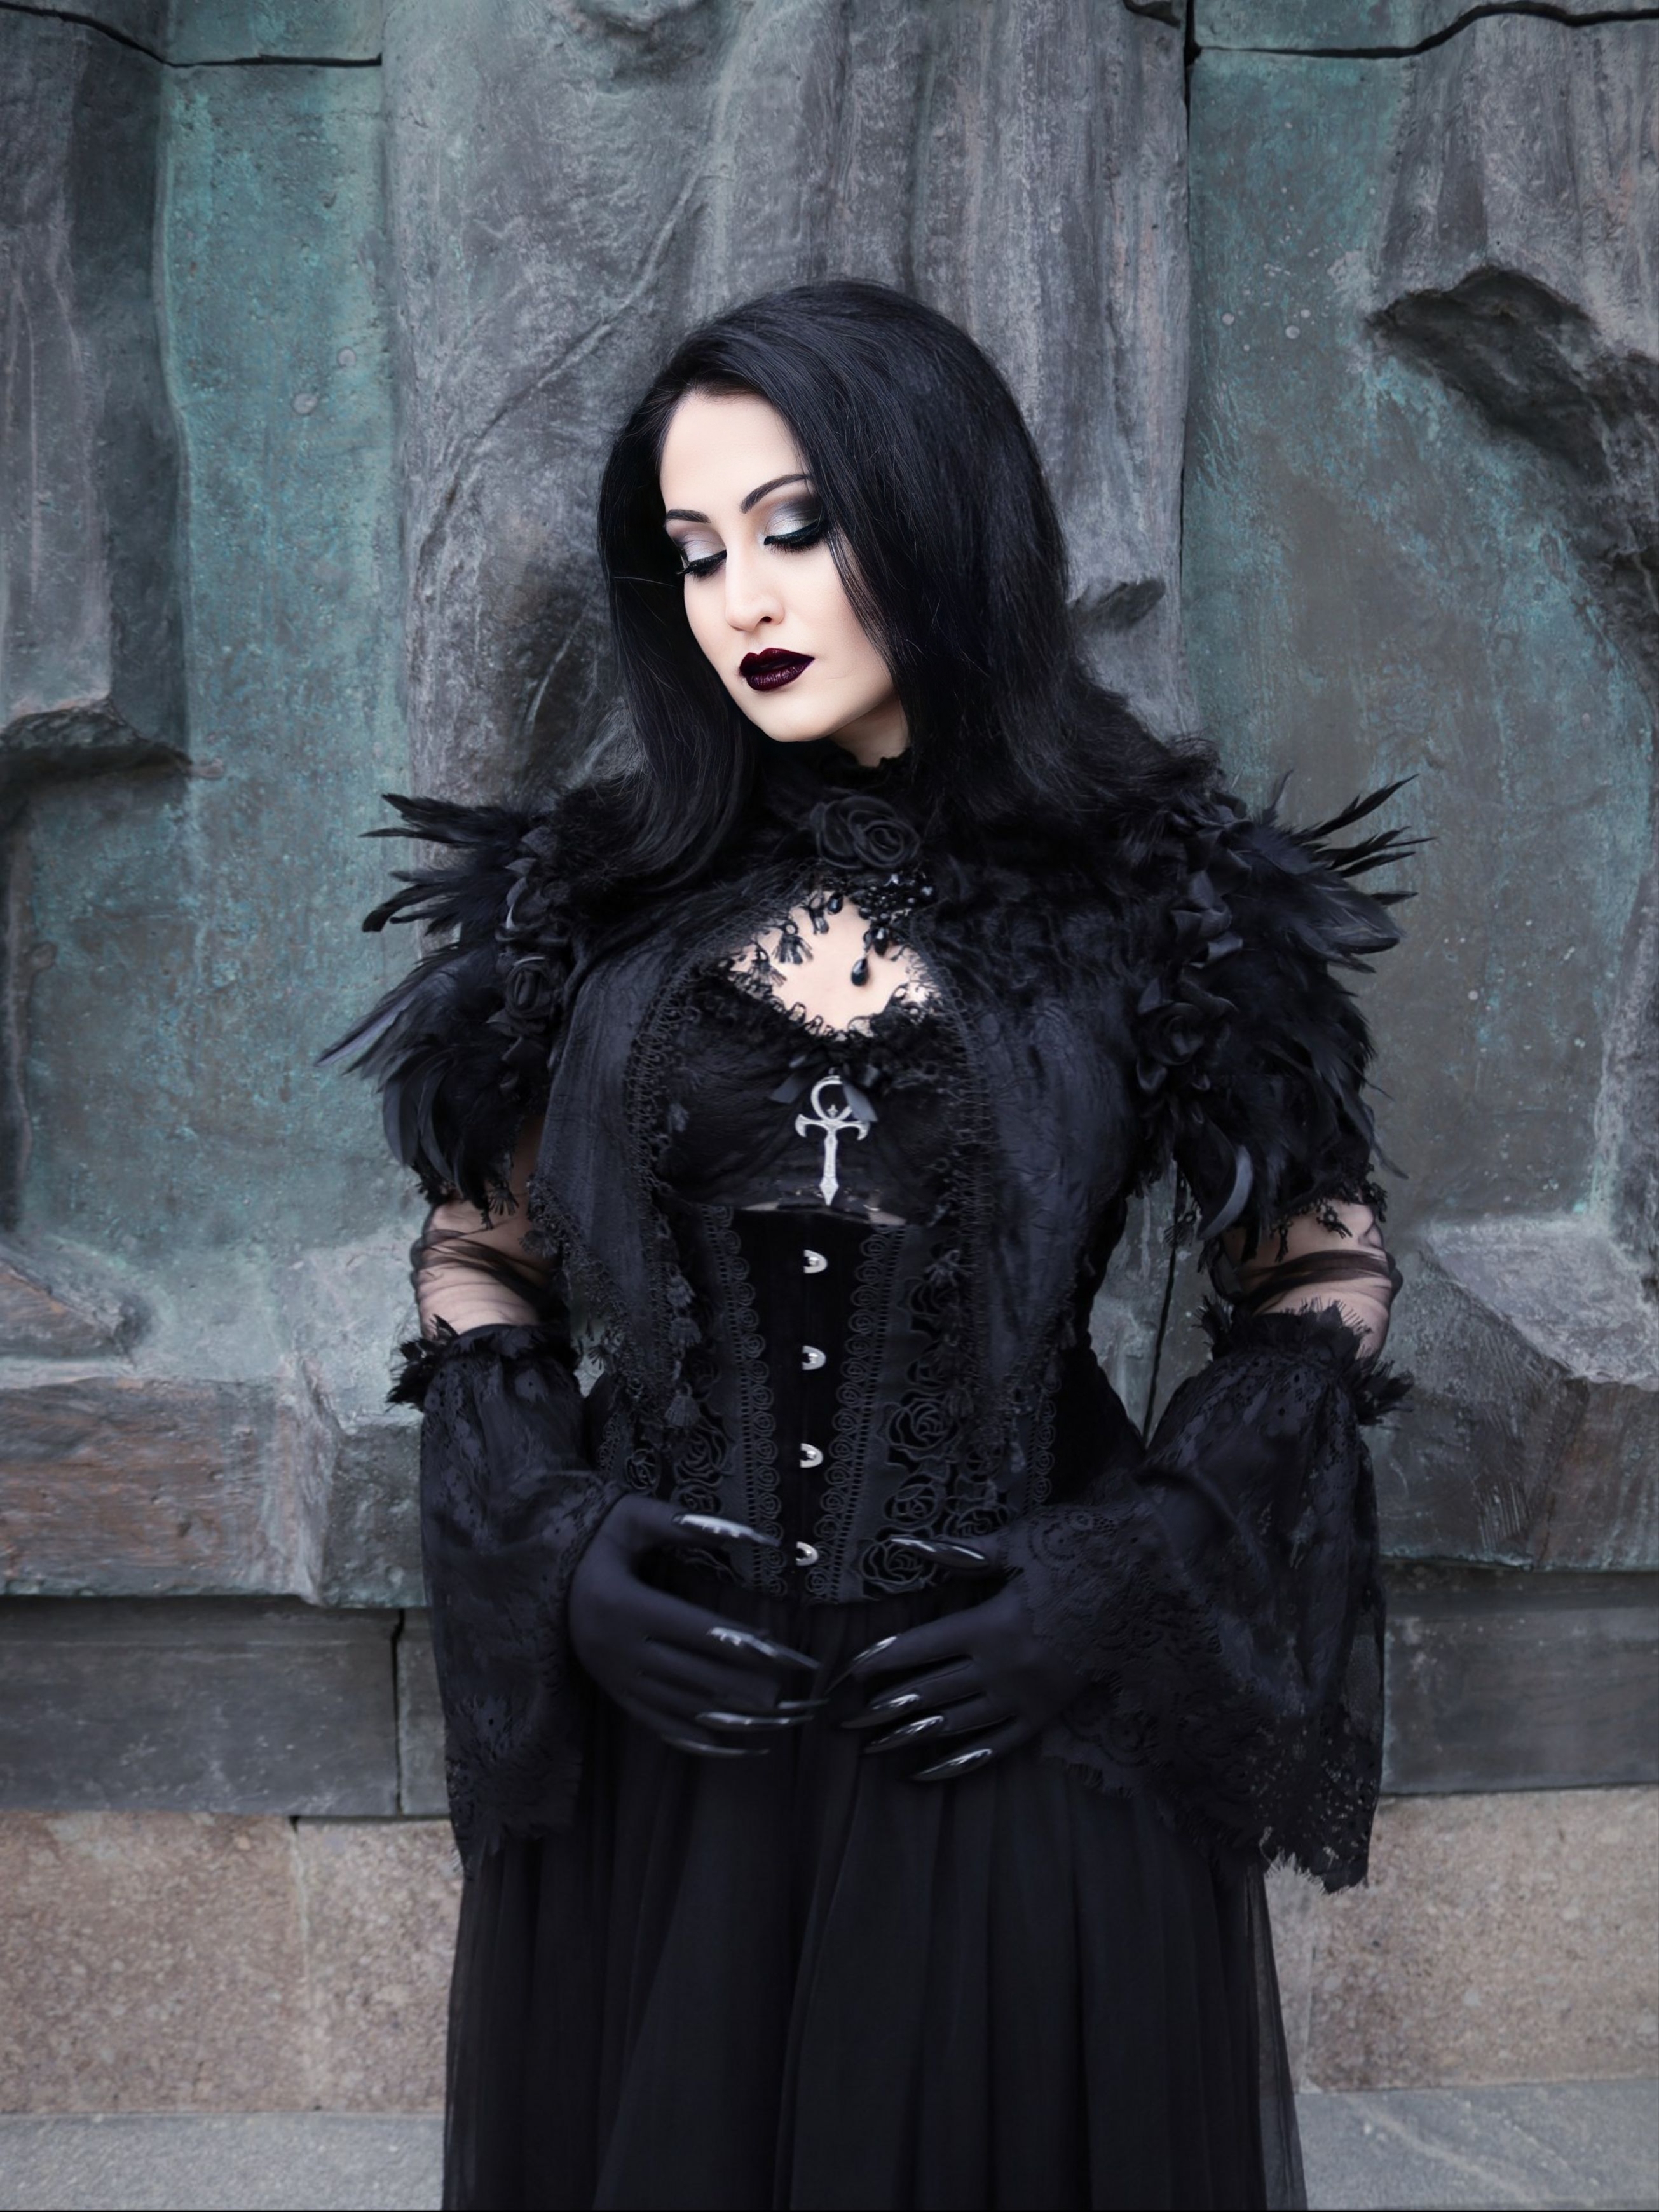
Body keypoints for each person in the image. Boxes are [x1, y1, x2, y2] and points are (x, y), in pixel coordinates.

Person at [332, 280, 1410, 2212]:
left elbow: (1315, 1280)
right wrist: (557, 1549)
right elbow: (483, 1257)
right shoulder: (594, 895)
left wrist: (1122, 1579)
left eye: (793, 528)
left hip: (1008, 1718)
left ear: (933, 512)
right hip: (677, 1741)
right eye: (693, 552)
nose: (737, 599)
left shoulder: (1163, 898)